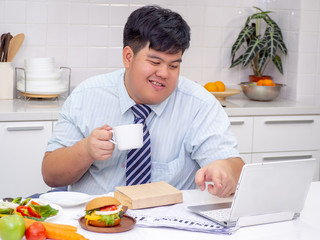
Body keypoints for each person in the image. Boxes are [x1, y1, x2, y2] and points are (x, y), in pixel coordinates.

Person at [42, 5, 244, 198]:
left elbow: (234, 166)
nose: (164, 73)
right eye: (155, 62)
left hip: (168, 225)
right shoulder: (86, 96)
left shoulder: (199, 104)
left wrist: (225, 171)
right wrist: (85, 150)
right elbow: (50, 174)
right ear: (128, 57)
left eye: (173, 66)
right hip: (97, 223)